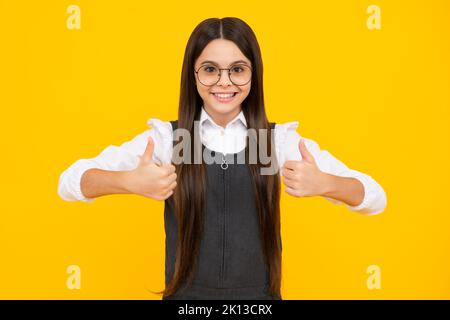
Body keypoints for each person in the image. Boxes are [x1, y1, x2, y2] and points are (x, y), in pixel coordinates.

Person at [58, 17, 387, 300]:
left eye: (238, 69)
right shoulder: (168, 139)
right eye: (210, 69)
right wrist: (126, 181)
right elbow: (69, 182)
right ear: (193, 74)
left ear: (253, 75)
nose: (224, 81)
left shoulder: (275, 141)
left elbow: (375, 197)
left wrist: (326, 183)